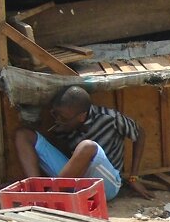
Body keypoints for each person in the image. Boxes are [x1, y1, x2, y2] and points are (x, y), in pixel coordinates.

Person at [14, 85, 153, 201]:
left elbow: (140, 133)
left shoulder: (109, 118)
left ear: (81, 116)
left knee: (87, 146)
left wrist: (134, 177)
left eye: (63, 117)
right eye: (55, 114)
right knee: (23, 135)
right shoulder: (63, 126)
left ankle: (49, 200)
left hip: (106, 184)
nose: (57, 120)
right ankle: (36, 191)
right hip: (76, 181)